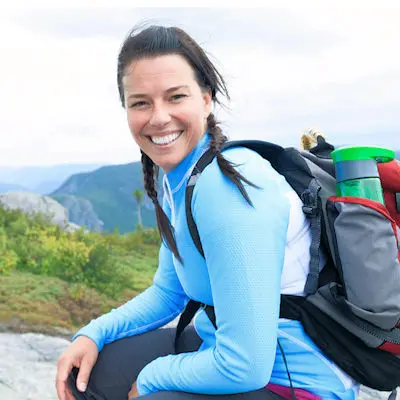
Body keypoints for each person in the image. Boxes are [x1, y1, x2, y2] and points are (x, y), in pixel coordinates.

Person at [55, 25, 360, 400]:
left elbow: (244, 365)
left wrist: (152, 378)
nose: (159, 117)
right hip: (220, 348)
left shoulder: (229, 189)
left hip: (295, 380)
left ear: (205, 100)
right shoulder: (180, 178)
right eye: (141, 102)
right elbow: (170, 293)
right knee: (85, 373)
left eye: (175, 97)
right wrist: (93, 333)